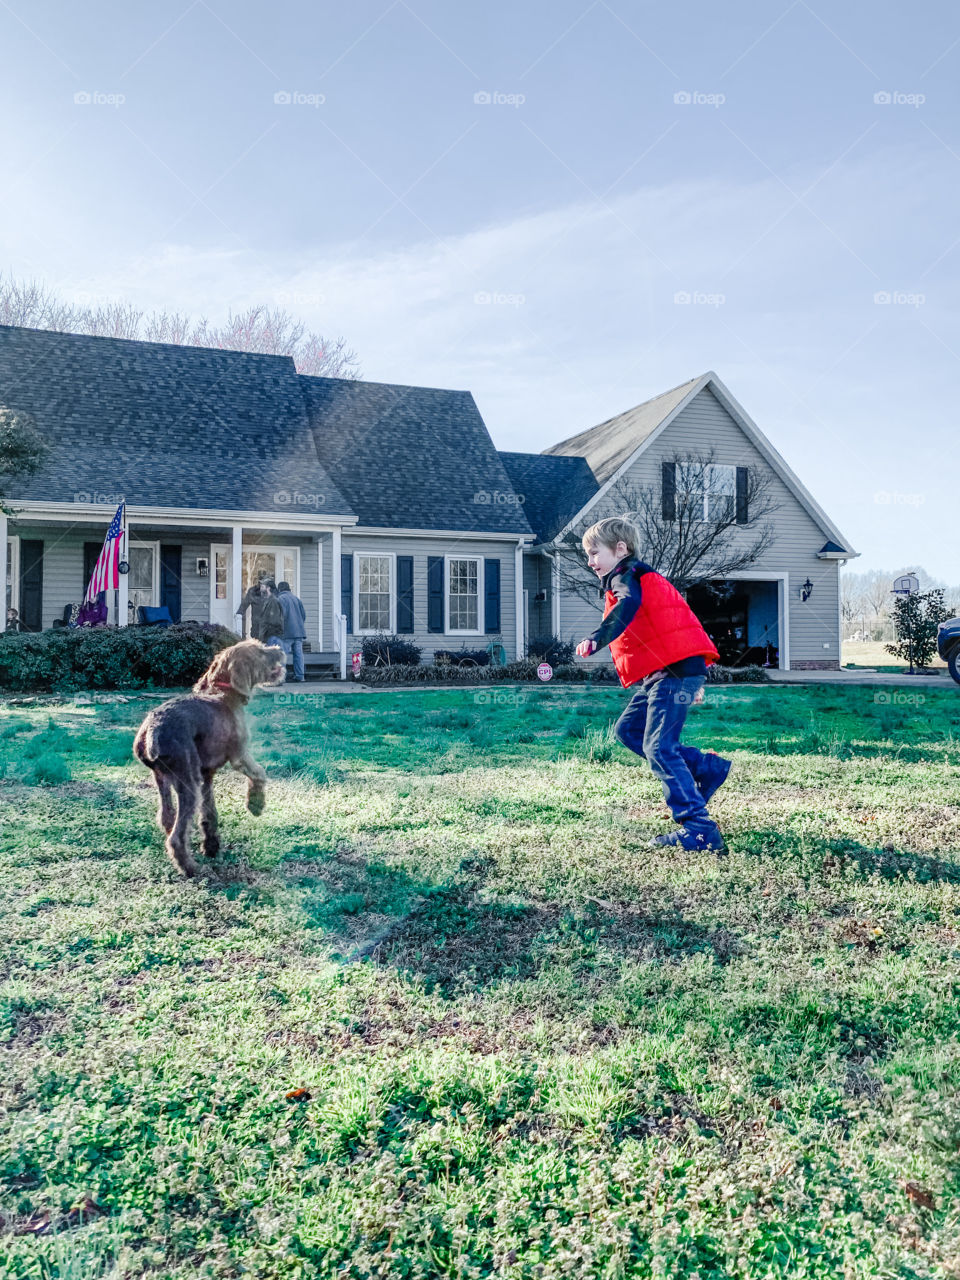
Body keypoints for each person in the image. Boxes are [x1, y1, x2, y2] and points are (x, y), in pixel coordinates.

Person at [575, 517, 732, 853]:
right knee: (628, 731)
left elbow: (628, 606)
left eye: (593, 553)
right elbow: (670, 625)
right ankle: (705, 767)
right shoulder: (636, 576)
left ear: (620, 549)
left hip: (674, 674)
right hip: (667, 674)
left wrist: (597, 638)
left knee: (659, 748)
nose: (590, 561)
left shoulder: (627, 575)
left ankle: (700, 829)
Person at [276, 580, 307, 682]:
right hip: (299, 631)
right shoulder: (297, 599)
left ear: (279, 589)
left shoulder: (281, 599)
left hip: (287, 632)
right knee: (298, 654)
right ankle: (300, 676)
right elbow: (303, 615)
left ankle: (281, 677)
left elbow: (281, 616)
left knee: (282, 654)